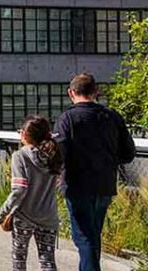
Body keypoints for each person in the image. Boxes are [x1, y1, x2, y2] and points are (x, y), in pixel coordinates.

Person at [54, 73, 136, 271]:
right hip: (105, 184)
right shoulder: (112, 117)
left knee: (84, 238)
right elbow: (129, 153)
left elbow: (59, 153)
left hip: (77, 185)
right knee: (92, 236)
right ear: (95, 92)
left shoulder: (67, 119)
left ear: (71, 93)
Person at [0, 116, 62, 271]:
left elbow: (19, 190)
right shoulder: (55, 155)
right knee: (47, 260)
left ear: (24, 134)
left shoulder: (20, 156)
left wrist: (1, 214)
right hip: (48, 216)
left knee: (19, 259)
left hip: (24, 216)